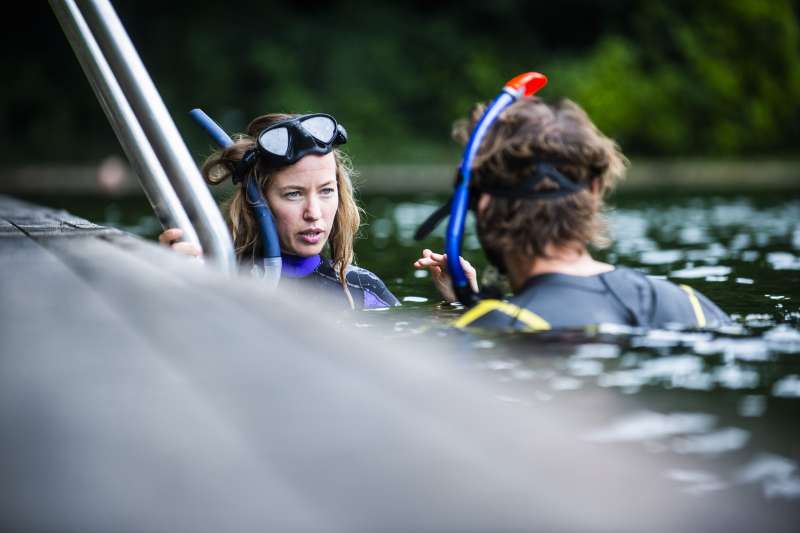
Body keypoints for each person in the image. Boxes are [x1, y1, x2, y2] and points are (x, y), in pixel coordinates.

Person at [414, 97, 730, 331]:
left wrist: (468, 312)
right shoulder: (691, 304)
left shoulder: (494, 328)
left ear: (481, 206)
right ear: (594, 190)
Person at [160, 112, 399, 310]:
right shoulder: (218, 278)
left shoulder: (362, 289)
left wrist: (439, 303)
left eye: (326, 191)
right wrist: (167, 286)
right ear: (257, 202)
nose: (313, 213)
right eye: (293, 194)